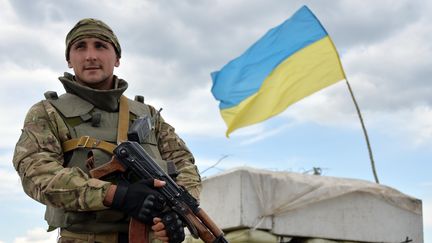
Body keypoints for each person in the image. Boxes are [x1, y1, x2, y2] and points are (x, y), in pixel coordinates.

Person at [12, 18, 202, 243]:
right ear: (69, 60)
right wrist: (117, 195)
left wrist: (174, 210)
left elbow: (184, 164)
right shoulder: (48, 112)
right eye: (80, 47)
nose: (90, 56)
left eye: (100, 46)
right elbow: (36, 173)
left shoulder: (148, 115)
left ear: (118, 59)